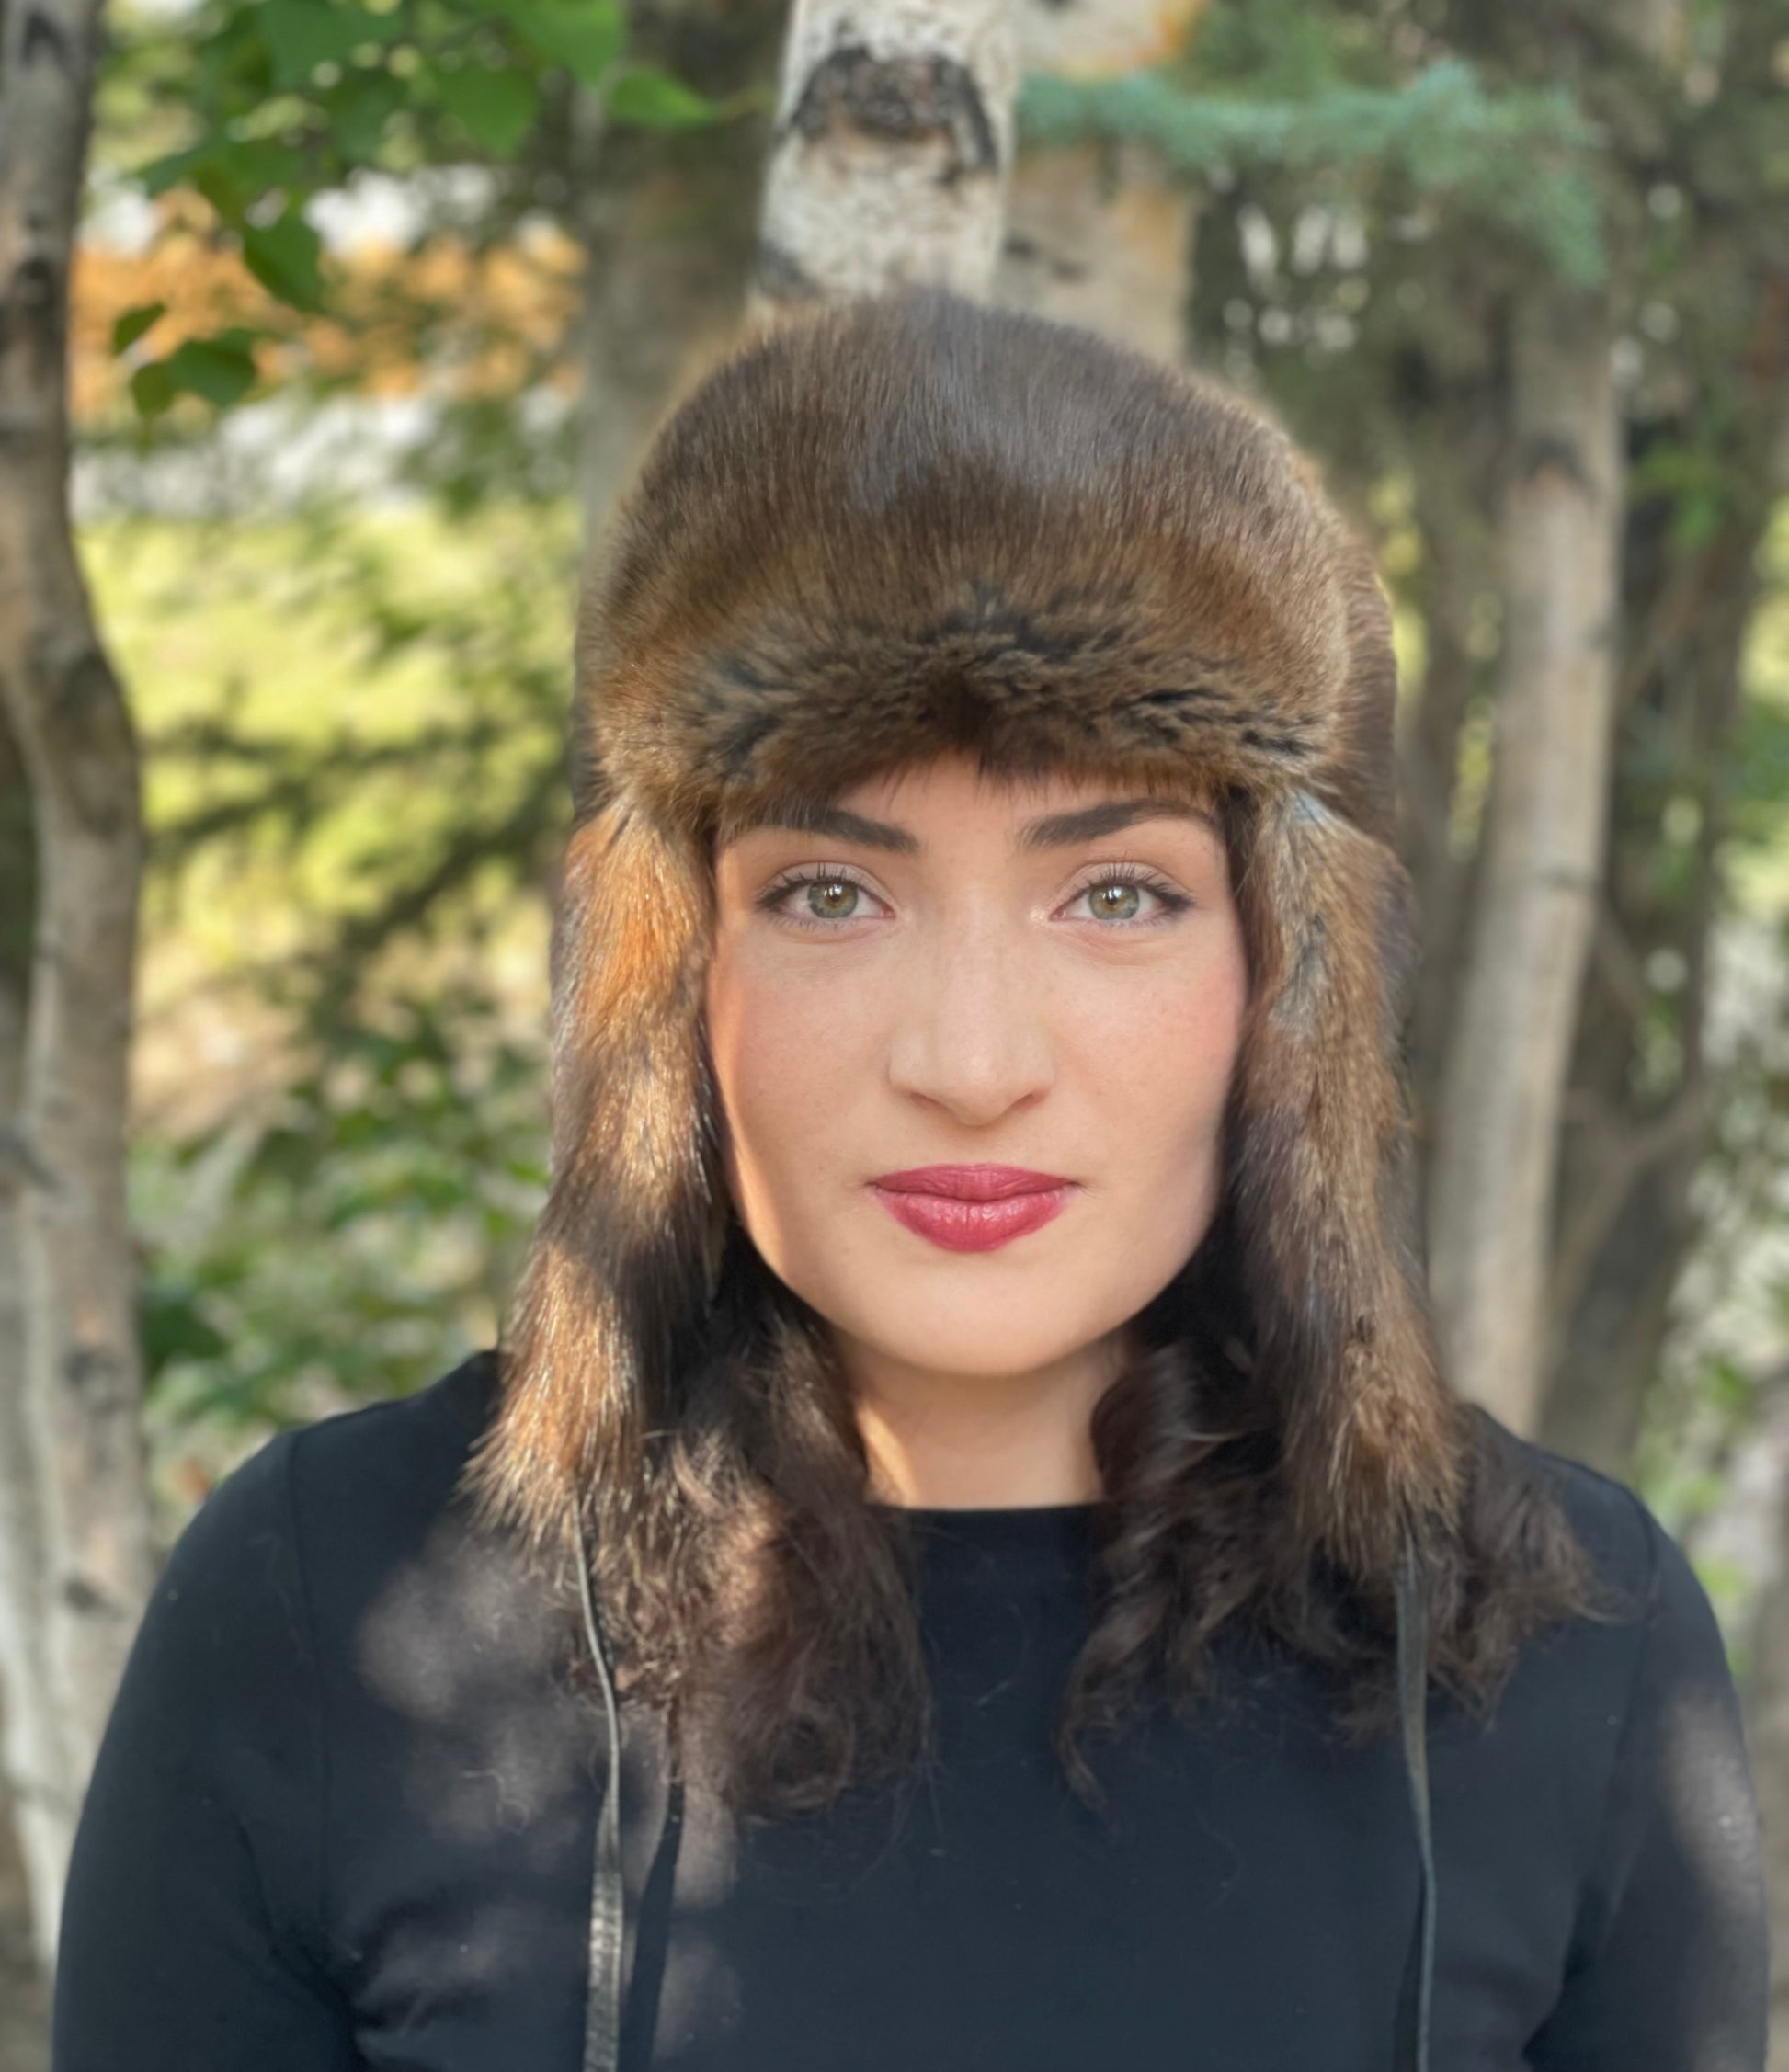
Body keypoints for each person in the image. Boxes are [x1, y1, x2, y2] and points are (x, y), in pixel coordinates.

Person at [53, 285, 1767, 2072]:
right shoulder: (332, 1600)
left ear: (1285, 982)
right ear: (669, 973)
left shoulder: (1569, 1648)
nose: (967, 1058)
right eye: (829, 893)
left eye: (1117, 895)